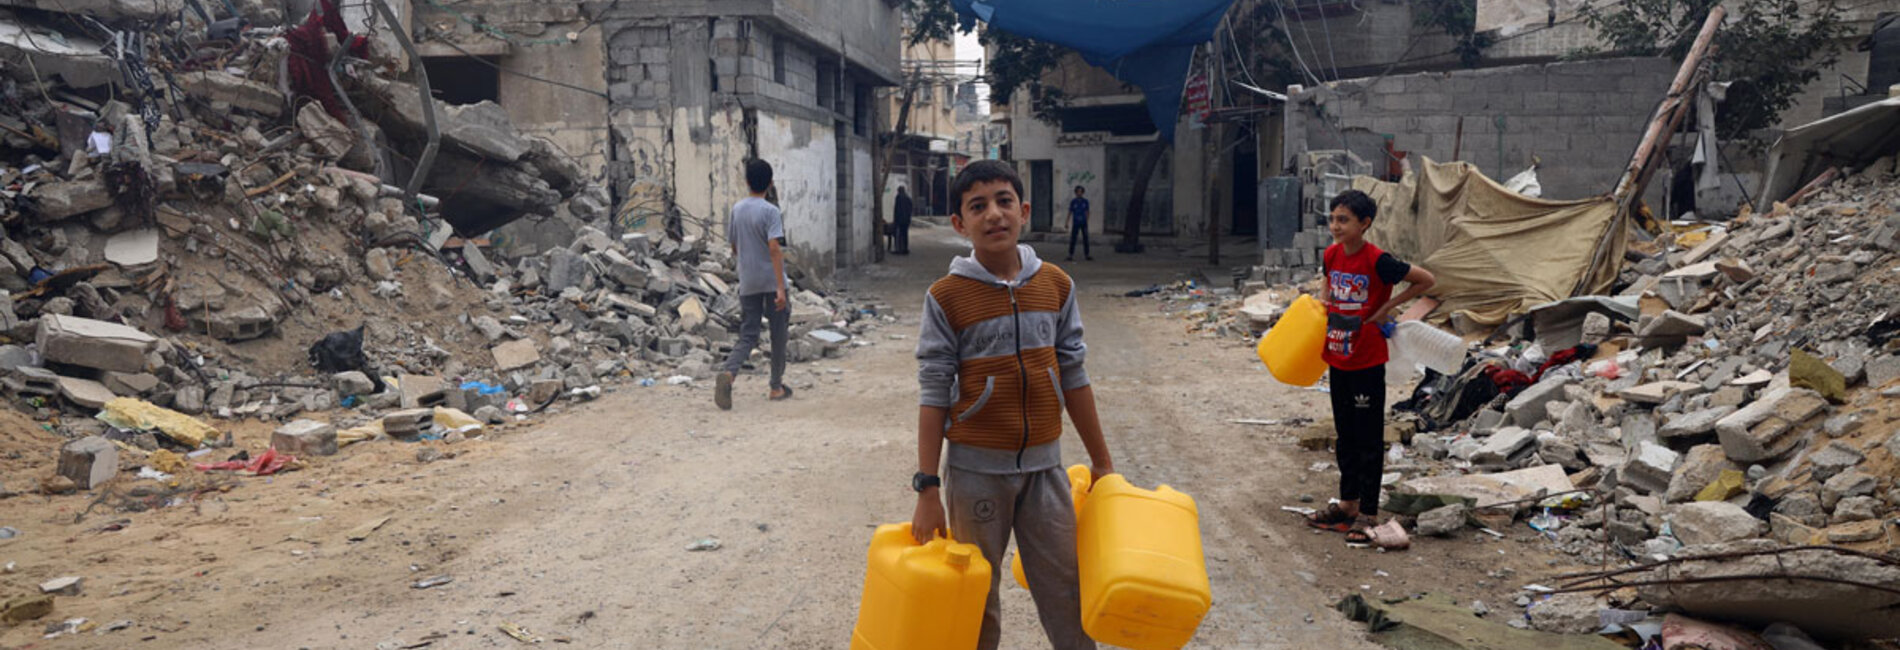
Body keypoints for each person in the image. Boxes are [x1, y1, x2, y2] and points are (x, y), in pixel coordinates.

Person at [911, 159, 1114, 650]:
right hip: (976, 473)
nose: (993, 215)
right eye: (977, 207)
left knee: (1068, 591)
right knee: (976, 596)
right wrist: (927, 488)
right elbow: (934, 392)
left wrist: (1103, 463)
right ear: (960, 224)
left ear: (1023, 211)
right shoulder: (946, 297)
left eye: (1004, 202)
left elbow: (1074, 376)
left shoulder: (1057, 285)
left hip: (1046, 471)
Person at [1305, 189, 1435, 548]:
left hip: (1367, 360)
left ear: (1364, 224)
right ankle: (1347, 504)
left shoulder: (1378, 260)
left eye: (1343, 220)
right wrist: (1322, 306)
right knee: (1345, 434)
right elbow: (1327, 286)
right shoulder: (1331, 255)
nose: (1335, 226)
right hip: (1338, 357)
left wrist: (1387, 308)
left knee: (1367, 438)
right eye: (1332, 219)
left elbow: (1426, 280)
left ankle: (1369, 512)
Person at [715, 159, 793, 410]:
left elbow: (735, 246)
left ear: (747, 182)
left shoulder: (737, 209)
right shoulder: (770, 211)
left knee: (748, 335)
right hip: (771, 282)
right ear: (770, 184)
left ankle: (729, 373)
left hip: (748, 281)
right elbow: (774, 249)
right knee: (778, 334)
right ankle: (775, 386)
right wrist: (780, 287)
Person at [1066, 185, 1091, 261]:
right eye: (1078, 192)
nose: (1079, 193)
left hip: (1083, 222)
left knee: (1085, 239)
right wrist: (1067, 222)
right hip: (1076, 222)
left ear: (1082, 193)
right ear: (1076, 193)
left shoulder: (1085, 202)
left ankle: (1087, 254)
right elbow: (1070, 212)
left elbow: (1087, 212)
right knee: (1073, 239)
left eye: (1080, 192)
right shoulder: (1073, 202)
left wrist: (1086, 220)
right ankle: (1070, 254)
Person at [892, 186, 914, 255]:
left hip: (900, 219)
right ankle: (905, 249)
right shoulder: (908, 198)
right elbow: (911, 208)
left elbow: (896, 210)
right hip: (906, 220)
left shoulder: (898, 198)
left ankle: (899, 249)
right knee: (905, 234)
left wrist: (895, 220)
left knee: (898, 235)